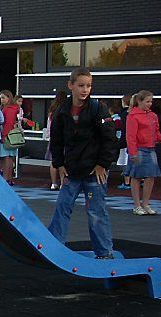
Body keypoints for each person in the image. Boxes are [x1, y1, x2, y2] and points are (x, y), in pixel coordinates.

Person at [47, 68, 118, 260]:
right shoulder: (62, 111)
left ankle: (104, 252)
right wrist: (59, 164)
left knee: (96, 211)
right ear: (70, 86)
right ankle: (54, 246)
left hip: (94, 170)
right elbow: (56, 140)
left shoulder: (97, 109)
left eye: (88, 86)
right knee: (63, 206)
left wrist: (103, 164)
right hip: (72, 169)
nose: (85, 90)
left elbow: (110, 138)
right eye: (81, 86)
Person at [125, 90, 161, 215]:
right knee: (136, 177)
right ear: (139, 101)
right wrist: (133, 153)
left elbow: (156, 131)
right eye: (147, 101)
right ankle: (137, 205)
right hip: (139, 149)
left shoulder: (153, 116)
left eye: (151, 101)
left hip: (151, 148)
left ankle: (145, 204)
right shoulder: (133, 116)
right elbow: (130, 136)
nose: (150, 104)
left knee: (151, 176)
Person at [45, 92, 68, 191]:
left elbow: (49, 126)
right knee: (64, 162)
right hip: (64, 139)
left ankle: (54, 183)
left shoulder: (51, 112)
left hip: (53, 139)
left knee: (53, 162)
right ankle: (63, 183)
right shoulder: (66, 110)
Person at [0, 90, 20, 184]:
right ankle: (9, 178)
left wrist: (4, 136)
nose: (2, 100)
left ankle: (6, 178)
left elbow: (8, 124)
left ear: (8, 98)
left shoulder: (8, 109)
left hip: (8, 135)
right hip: (12, 135)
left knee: (6, 157)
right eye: (1, 98)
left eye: (3, 97)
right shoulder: (13, 108)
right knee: (10, 157)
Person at [116, 94, 133, 190]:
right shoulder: (134, 113)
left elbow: (124, 129)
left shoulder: (124, 114)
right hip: (132, 141)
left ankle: (127, 182)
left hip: (126, 140)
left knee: (125, 161)